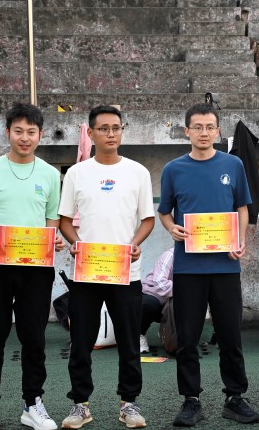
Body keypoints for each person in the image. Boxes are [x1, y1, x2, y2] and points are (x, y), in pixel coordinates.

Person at [158, 103, 259, 427]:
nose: (204, 133)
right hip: (188, 267)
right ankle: (191, 399)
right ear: (187, 131)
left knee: (230, 335)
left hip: (225, 266)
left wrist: (240, 240)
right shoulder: (173, 169)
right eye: (198, 127)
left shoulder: (233, 164)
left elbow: (242, 208)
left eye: (210, 127)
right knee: (187, 338)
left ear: (218, 131)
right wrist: (171, 227)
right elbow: (164, 211)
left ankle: (235, 397)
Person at [0, 103, 66, 430]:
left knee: (34, 337)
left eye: (31, 132)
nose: (25, 138)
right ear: (8, 132)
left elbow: (52, 218)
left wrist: (53, 239)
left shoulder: (50, 174)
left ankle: (32, 404)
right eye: (18, 131)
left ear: (40, 135)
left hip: (36, 267)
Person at [58, 105, 155, 429]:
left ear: (122, 130)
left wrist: (135, 244)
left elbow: (147, 219)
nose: (110, 134)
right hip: (87, 272)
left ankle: (129, 403)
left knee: (129, 341)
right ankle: (80, 405)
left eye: (116, 128)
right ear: (91, 133)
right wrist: (75, 243)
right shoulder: (77, 173)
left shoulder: (138, 172)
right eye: (103, 128)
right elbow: (64, 220)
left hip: (126, 272)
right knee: (81, 341)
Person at [140, 246, 174, 353]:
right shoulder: (170, 255)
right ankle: (139, 333)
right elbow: (160, 284)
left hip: (176, 299)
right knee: (149, 304)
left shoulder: (200, 258)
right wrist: (186, 287)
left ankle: (169, 332)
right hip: (154, 295)